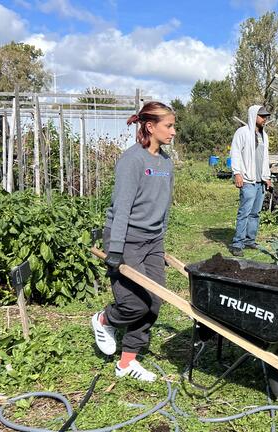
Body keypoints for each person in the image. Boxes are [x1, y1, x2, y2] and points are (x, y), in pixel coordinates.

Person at [91, 102, 176, 382]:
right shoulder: (133, 160)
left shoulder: (165, 162)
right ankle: (104, 319)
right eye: (169, 126)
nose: (173, 132)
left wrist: (159, 240)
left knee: (154, 302)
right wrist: (115, 249)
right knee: (134, 303)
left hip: (152, 241)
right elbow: (123, 205)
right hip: (126, 239)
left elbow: (163, 204)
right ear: (150, 127)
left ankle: (127, 363)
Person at [229, 105, 272, 257]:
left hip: (260, 180)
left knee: (255, 213)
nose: (265, 119)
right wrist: (237, 173)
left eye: (266, 116)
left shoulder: (263, 136)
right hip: (247, 179)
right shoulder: (242, 133)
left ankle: (249, 240)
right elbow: (235, 152)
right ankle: (237, 243)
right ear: (254, 116)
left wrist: (267, 177)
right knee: (244, 212)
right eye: (262, 116)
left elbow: (264, 158)